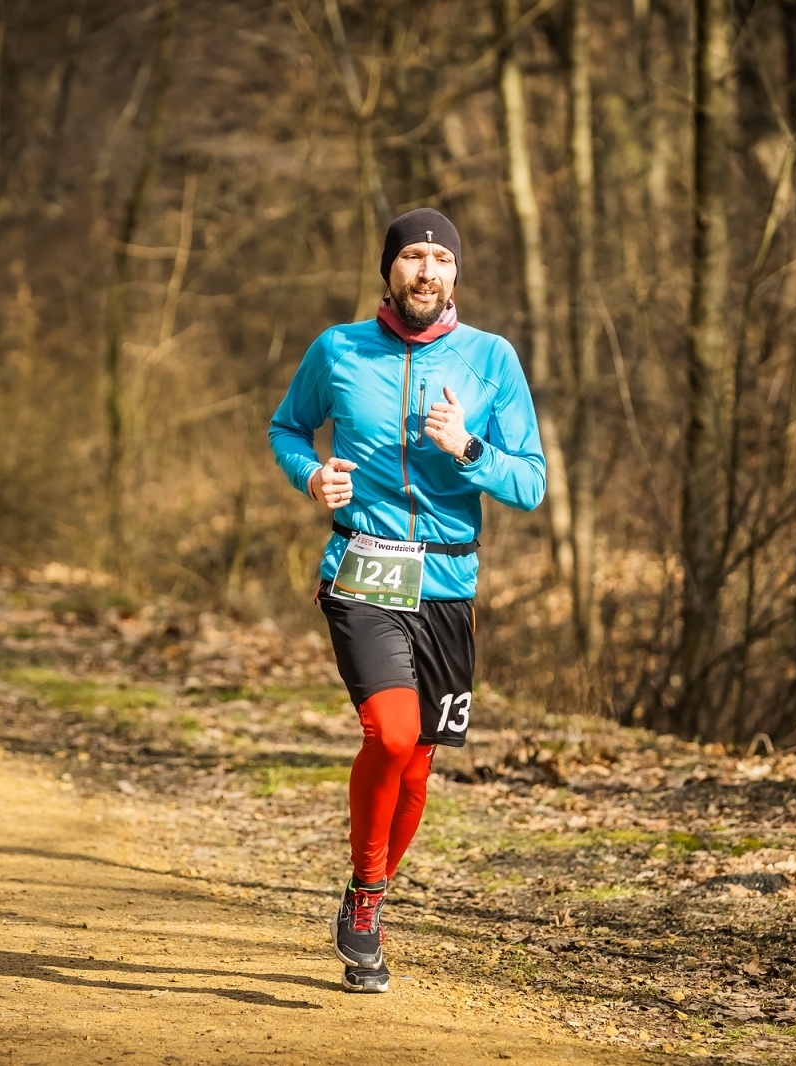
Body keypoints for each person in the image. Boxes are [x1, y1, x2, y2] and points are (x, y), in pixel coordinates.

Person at [269, 208, 546, 993]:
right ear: (389, 269)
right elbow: (287, 429)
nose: (427, 270)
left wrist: (469, 448)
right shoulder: (339, 349)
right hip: (362, 572)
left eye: (441, 258)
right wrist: (311, 475)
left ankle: (368, 899)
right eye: (413, 256)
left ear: (456, 273)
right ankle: (365, 896)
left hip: (449, 586)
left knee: (418, 766)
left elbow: (531, 482)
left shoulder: (491, 359)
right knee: (390, 736)